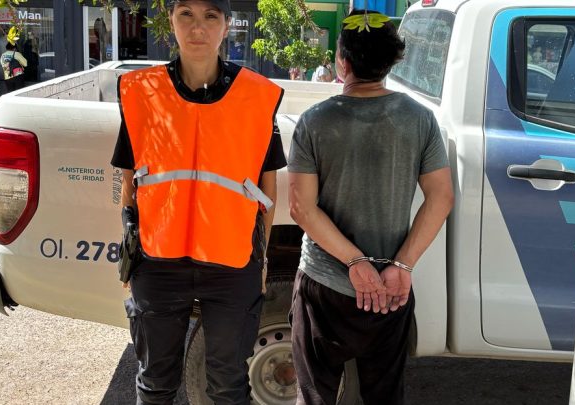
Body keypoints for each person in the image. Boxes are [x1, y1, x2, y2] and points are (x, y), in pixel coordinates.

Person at [111, 0, 286, 404]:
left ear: (227, 25)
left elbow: (267, 189)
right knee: (155, 384)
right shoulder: (142, 92)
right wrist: (130, 246)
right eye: (186, 14)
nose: (197, 28)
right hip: (158, 261)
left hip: (232, 264)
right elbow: (129, 179)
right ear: (171, 21)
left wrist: (259, 260)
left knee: (227, 387)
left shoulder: (257, 96)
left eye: (210, 16)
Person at [288, 9, 454, 405]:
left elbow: (301, 209)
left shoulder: (314, 122)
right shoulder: (420, 120)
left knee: (315, 396)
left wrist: (354, 262)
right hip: (390, 289)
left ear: (342, 62)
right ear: (392, 61)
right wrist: (402, 265)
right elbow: (441, 197)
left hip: (324, 286)